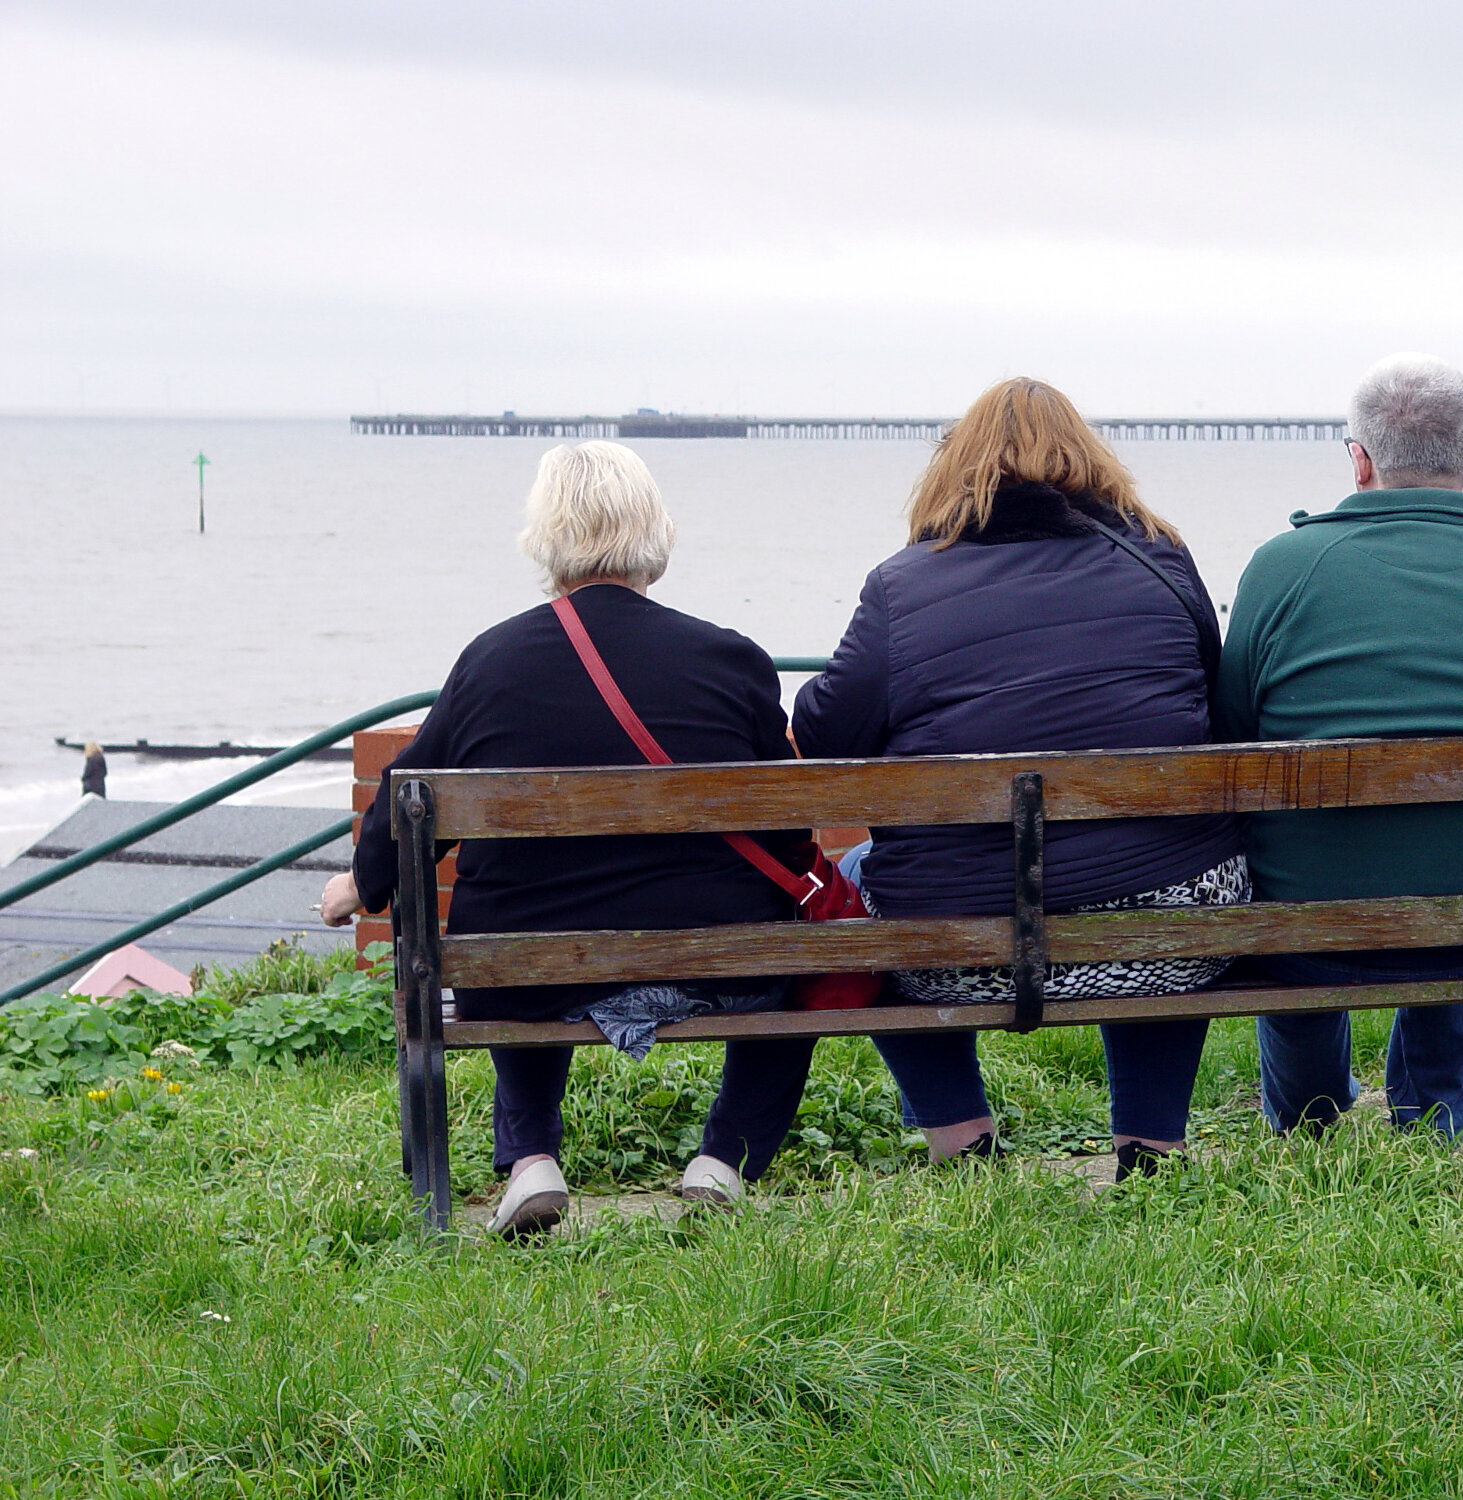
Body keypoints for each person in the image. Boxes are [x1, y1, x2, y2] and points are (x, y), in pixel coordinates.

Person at [319, 441, 815, 1234]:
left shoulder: (492, 662)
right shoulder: (730, 659)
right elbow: (789, 830)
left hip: (523, 968)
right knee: (801, 963)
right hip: (717, 961)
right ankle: (723, 1161)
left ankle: (531, 1160)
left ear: (546, 535)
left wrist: (359, 884)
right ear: (655, 532)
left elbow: (412, 799)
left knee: (524, 925)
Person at [792, 377, 1246, 1180]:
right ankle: (1152, 1147)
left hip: (957, 945)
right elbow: (1216, 704)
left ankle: (962, 1140)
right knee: (1161, 863)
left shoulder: (902, 584)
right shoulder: (1162, 560)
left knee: (860, 882)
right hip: (1172, 935)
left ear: (954, 468)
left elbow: (828, 735)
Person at [1214, 354, 1463, 1140]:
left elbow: (1232, 746)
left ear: (1359, 459)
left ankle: (1309, 1118)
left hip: (1303, 931)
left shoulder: (1280, 568)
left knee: (1301, 880)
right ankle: (1428, 1121)